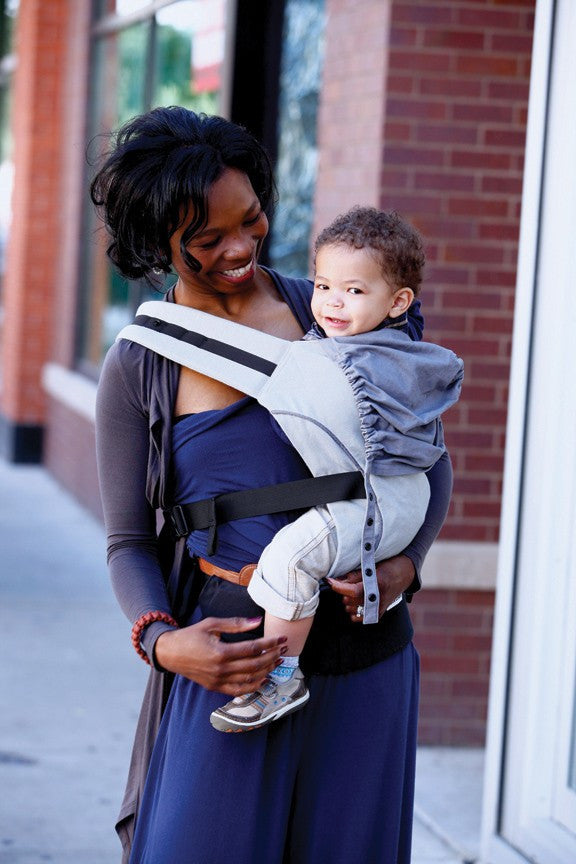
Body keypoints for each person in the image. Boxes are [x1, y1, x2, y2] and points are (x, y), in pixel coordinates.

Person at [93, 105, 455, 864]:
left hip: (366, 660)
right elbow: (128, 539)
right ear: (158, 243)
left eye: (251, 220)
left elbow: (426, 459)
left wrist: (405, 566)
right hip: (232, 666)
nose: (240, 248)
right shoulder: (141, 365)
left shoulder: (337, 311)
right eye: (207, 238)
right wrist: (161, 644)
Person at [210, 206, 463, 733]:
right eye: (323, 286)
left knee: (287, 559)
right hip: (383, 498)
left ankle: (281, 678)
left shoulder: (383, 361)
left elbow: (431, 454)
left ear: (398, 303)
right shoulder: (359, 345)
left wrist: (408, 559)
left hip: (383, 501)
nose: (330, 303)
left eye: (353, 291)